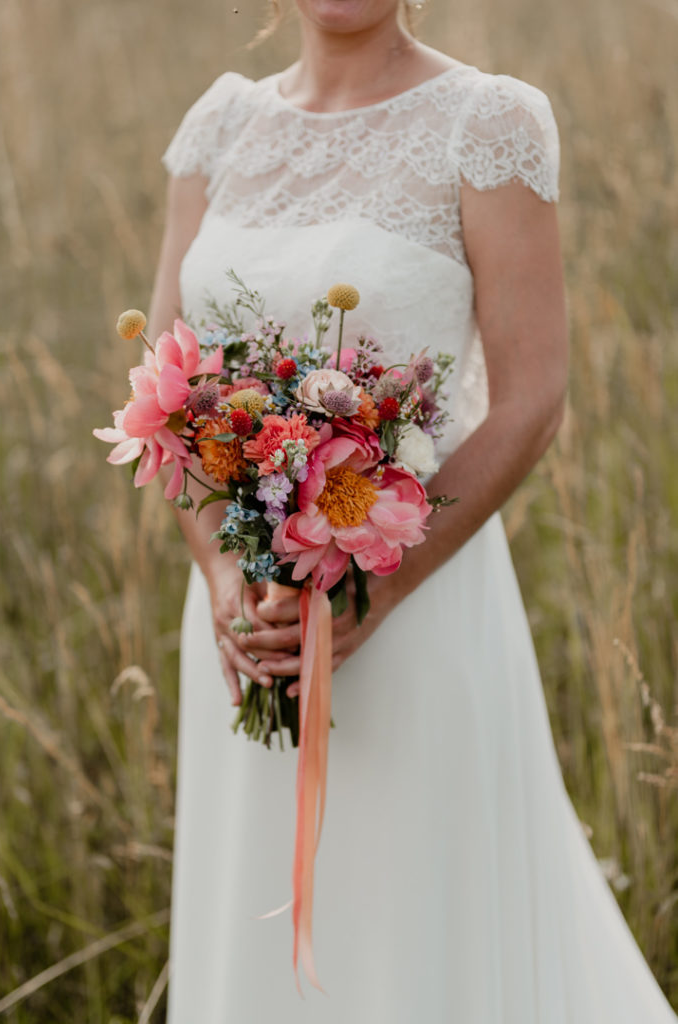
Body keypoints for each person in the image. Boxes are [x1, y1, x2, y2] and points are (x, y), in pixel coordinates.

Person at [148, 1, 678, 1020]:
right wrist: (222, 573)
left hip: (415, 604)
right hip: (243, 627)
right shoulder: (215, 127)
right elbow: (163, 389)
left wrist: (374, 590)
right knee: (255, 922)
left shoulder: (489, 123)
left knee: (410, 935)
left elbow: (533, 396)